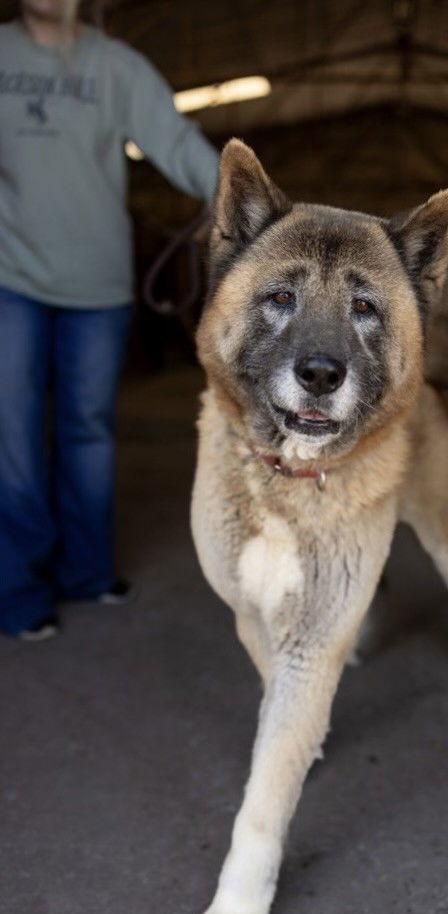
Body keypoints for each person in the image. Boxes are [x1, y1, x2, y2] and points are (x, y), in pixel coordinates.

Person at [0, 0, 219, 640]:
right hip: (10, 276)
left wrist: (238, 193)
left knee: (88, 429)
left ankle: (88, 573)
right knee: (11, 433)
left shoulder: (117, 66)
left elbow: (175, 139)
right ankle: (17, 592)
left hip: (98, 282)